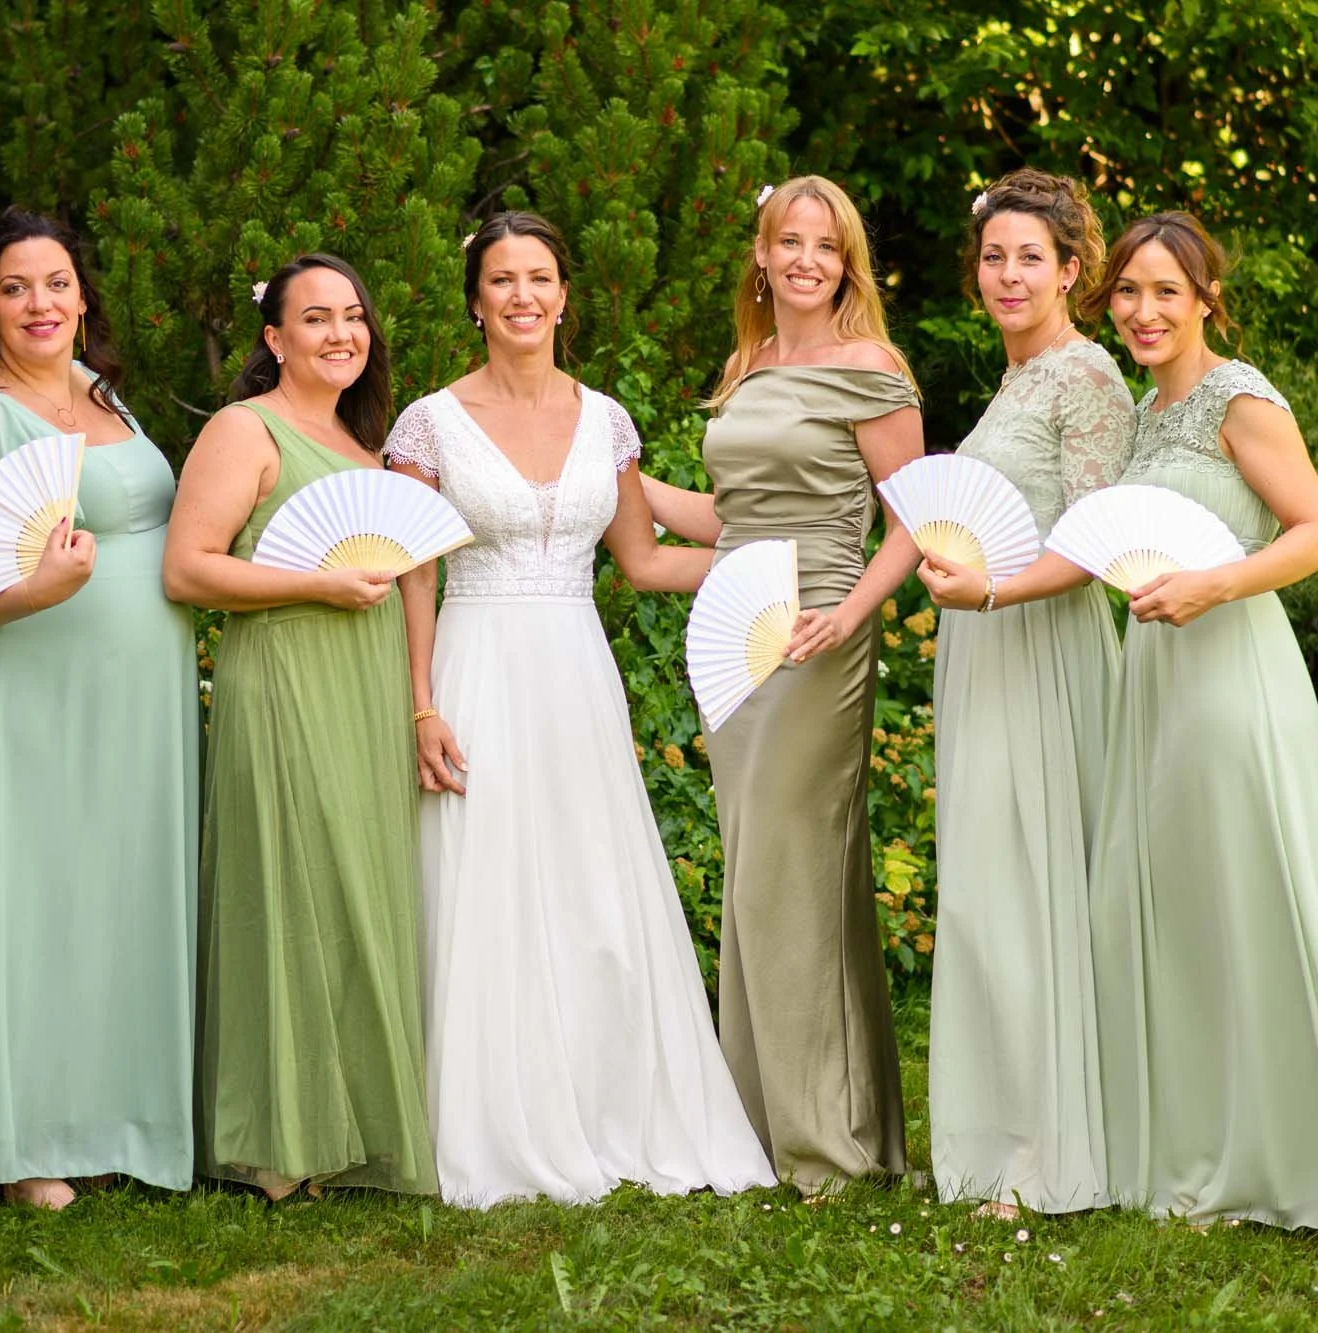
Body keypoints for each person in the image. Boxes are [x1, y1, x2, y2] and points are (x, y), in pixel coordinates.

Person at [384, 211, 776, 1207]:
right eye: (502, 280)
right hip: (473, 659)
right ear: (474, 301)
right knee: (483, 881)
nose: (523, 296)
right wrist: (419, 704)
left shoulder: (603, 418)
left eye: (540, 278)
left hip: (573, 671)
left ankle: (607, 1102)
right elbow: (411, 576)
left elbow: (642, 560)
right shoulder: (428, 422)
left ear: (565, 295)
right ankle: (485, 1115)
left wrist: (773, 569)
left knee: (590, 887)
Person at [1084, 212, 1318, 1240]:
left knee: (1246, 900)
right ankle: (1195, 1150)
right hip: (1153, 678)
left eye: (1163, 292)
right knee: (1178, 910)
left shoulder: (1241, 398)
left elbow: (1317, 533)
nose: (1143, 311)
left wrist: (1214, 584)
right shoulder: (1141, 416)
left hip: (1231, 668)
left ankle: (1287, 1157)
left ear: (1203, 300)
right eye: (1127, 292)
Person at [644, 175, 922, 1195]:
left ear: (845, 262)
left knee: (797, 862)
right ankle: (760, 1127)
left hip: (821, 627)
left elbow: (911, 520)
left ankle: (831, 1146)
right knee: (756, 860)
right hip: (740, 627)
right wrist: (608, 468)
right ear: (759, 256)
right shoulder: (747, 362)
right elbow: (727, 516)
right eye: (786, 241)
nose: (805, 259)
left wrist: (850, 615)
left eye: (825, 245)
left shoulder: (871, 368)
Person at [0, 207, 197, 1209]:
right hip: (23, 694)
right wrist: (43, 591)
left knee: (113, 897)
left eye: (55, 284)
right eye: (14, 288)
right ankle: (20, 1139)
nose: (39, 304)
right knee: (33, 900)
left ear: (84, 296)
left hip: (133, 703)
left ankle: (114, 1115)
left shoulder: (107, 396)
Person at [162, 253, 436, 1198]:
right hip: (281, 670)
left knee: (355, 891)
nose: (340, 334)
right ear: (274, 338)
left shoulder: (371, 454)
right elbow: (188, 569)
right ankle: (268, 1139)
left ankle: (344, 1130)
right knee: (285, 887)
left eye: (354, 317)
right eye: (315, 319)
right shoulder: (247, 431)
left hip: (363, 686)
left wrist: (416, 703)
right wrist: (315, 580)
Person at [912, 170, 1135, 1216]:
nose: (1007, 274)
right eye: (993, 257)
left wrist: (992, 588)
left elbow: (1092, 544)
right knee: (985, 893)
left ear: (1071, 271)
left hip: (1041, 645)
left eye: (1028, 258)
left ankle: (1047, 1154)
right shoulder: (1012, 379)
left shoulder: (1083, 376)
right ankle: (998, 1132)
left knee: (1028, 891)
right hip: (982, 645)